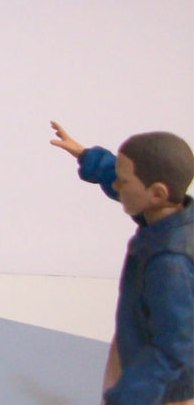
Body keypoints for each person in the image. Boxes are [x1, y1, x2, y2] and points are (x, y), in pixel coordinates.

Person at [51, 121, 194, 405]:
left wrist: (129, 395)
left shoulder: (169, 263)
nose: (117, 186)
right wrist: (86, 155)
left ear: (157, 193)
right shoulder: (168, 216)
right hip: (137, 340)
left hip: (162, 382)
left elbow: (175, 346)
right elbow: (120, 177)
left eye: (124, 182)